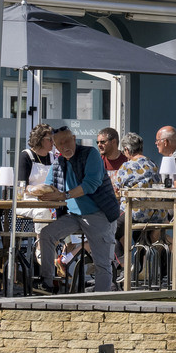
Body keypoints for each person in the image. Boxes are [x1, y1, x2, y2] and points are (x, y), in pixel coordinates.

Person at [38, 124, 120, 293]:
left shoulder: (91, 154)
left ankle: (102, 302)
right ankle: (46, 283)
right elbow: (48, 186)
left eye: (68, 140)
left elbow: (91, 184)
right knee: (46, 234)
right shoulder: (59, 162)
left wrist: (63, 195)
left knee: (102, 264)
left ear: (74, 139)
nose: (65, 145)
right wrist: (35, 191)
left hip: (99, 214)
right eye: (60, 143)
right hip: (74, 215)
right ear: (55, 146)